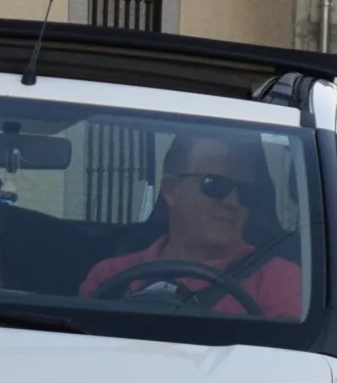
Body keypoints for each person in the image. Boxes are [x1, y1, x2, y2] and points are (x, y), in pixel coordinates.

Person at [78, 131, 305, 318]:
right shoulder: (110, 277)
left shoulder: (281, 283)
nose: (233, 202)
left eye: (246, 192)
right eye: (214, 184)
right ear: (171, 189)